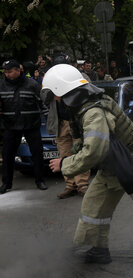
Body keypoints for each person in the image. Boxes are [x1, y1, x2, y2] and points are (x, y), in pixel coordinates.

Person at [44, 63, 133, 264]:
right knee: (93, 209)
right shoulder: (85, 105)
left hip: (132, 164)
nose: (55, 101)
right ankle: (97, 249)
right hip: (111, 165)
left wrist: (64, 164)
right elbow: (93, 141)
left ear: (62, 90)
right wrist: (76, 150)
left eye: (54, 95)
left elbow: (95, 149)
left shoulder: (92, 111)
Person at [44, 54, 91, 198]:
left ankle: (82, 185)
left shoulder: (79, 75)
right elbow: (44, 98)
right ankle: (70, 185)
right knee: (64, 153)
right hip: (61, 121)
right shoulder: (50, 77)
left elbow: (88, 92)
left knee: (79, 153)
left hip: (76, 120)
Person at [0, 59, 47, 194]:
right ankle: (6, 184)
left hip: (31, 125)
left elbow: (43, 104)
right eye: (5, 72)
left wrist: (49, 121)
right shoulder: (1, 85)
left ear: (18, 70)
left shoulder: (32, 84)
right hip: (11, 126)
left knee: (37, 154)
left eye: (10, 71)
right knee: (7, 155)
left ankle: (40, 180)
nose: (7, 74)